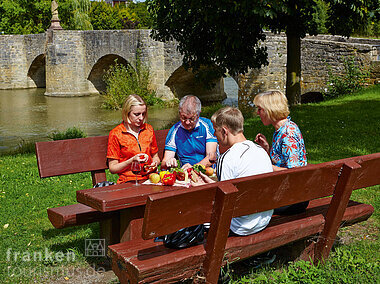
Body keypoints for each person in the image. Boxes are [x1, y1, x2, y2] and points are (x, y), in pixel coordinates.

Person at [193, 106, 273, 236]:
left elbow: (224, 200)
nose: (214, 135)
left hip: (240, 226)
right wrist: (210, 184)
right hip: (262, 220)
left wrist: (202, 188)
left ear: (224, 131)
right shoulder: (260, 150)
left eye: (215, 131)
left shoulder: (228, 158)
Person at [253, 90, 309, 214]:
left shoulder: (288, 134)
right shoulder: (283, 128)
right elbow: (282, 163)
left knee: (250, 202)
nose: (257, 113)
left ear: (270, 110)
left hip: (293, 200)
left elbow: (294, 172)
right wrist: (267, 148)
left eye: (260, 109)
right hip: (288, 193)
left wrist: (266, 166)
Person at [107, 94, 160, 184]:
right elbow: (112, 168)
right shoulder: (116, 134)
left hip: (151, 177)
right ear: (127, 113)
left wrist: (154, 163)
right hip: (129, 180)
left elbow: (156, 157)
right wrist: (131, 161)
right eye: (137, 114)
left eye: (143, 114)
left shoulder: (148, 129)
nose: (141, 118)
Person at [162, 95, 218, 170]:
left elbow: (211, 157)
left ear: (198, 115)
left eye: (192, 119)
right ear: (179, 113)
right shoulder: (174, 131)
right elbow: (164, 162)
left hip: (209, 171)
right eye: (183, 118)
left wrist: (194, 168)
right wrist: (168, 162)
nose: (187, 122)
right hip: (186, 174)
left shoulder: (207, 125)